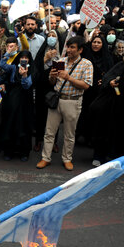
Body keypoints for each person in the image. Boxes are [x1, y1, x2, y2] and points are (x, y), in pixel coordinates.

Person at [37, 36, 93, 171]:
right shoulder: (60, 61)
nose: (69, 50)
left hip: (73, 101)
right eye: (68, 47)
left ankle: (67, 159)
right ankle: (45, 158)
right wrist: (52, 76)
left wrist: (68, 77)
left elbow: (86, 85)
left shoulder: (86, 64)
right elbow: (52, 83)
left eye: (73, 47)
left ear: (80, 50)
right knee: (49, 132)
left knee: (69, 134)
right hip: (57, 99)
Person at [0, 47, 35, 161]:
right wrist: (8, 53)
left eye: (26, 58)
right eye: (21, 58)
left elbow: (27, 85)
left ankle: (24, 152)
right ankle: (9, 151)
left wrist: (24, 75)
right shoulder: (14, 67)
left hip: (25, 102)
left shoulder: (33, 70)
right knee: (10, 124)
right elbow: (3, 64)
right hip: (12, 100)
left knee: (23, 125)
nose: (23, 60)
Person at [33, 30, 60, 153]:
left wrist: (54, 59)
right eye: (49, 36)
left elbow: (61, 72)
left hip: (55, 89)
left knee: (55, 116)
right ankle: (38, 140)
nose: (51, 38)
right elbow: (35, 69)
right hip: (41, 88)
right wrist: (45, 59)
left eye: (53, 36)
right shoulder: (42, 52)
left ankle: (54, 142)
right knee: (40, 116)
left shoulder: (61, 52)